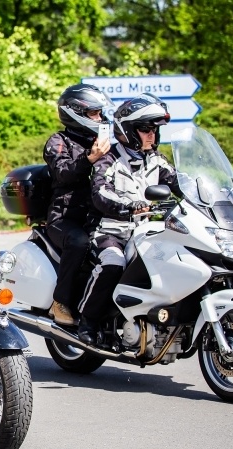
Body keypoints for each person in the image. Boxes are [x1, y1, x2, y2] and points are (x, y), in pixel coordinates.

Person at [77, 95, 181, 344]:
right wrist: (128, 206)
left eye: (154, 130)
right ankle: (87, 321)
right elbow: (100, 193)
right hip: (111, 232)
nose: (151, 135)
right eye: (145, 129)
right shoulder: (109, 159)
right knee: (113, 264)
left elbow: (182, 184)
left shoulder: (157, 159)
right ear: (128, 130)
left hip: (148, 233)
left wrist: (209, 197)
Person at [44, 83, 113, 327]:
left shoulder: (103, 142)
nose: (100, 118)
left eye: (101, 113)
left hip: (98, 216)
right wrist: (90, 158)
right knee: (79, 242)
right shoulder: (58, 141)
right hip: (64, 218)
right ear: (75, 113)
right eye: (95, 113)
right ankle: (60, 302)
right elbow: (63, 173)